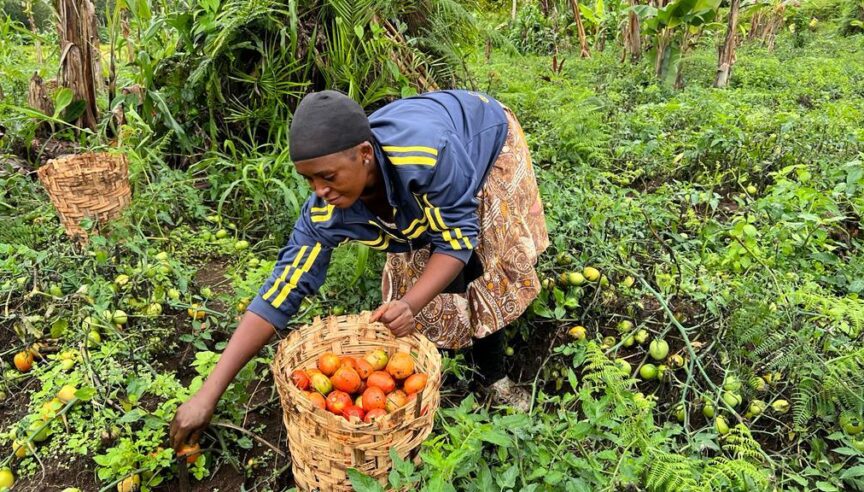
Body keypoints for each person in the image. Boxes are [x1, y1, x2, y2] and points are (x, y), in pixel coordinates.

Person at [169, 89, 548, 451]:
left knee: (480, 262)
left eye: (328, 177)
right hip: (417, 179)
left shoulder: (428, 156)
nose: (320, 190)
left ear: (365, 153)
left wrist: (411, 304)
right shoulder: (324, 213)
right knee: (427, 264)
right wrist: (207, 395)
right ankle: (441, 362)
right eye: (309, 180)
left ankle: (494, 375)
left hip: (481, 136)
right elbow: (281, 291)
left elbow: (457, 240)